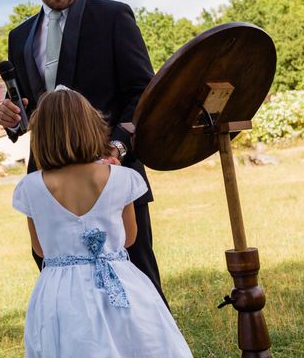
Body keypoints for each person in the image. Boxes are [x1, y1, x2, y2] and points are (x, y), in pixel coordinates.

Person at [0, 0, 167, 303]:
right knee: (64, 293)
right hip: (50, 189)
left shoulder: (113, 17)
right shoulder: (19, 37)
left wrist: (118, 149)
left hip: (111, 177)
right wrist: (12, 117)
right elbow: (30, 113)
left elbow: (143, 93)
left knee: (138, 287)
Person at [12, 88, 192, 357]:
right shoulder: (120, 178)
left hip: (61, 292)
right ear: (92, 127)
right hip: (119, 282)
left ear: (42, 136)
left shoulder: (31, 187)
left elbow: (40, 250)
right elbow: (130, 238)